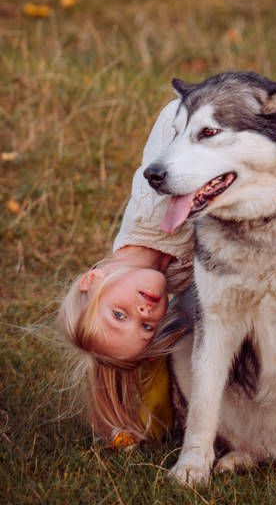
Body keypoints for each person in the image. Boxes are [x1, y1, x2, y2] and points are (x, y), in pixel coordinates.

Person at [58, 100, 192, 447]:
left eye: (119, 315)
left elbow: (176, 113)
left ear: (93, 278)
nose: (144, 314)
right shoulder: (182, 282)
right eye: (146, 326)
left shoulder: (151, 208)